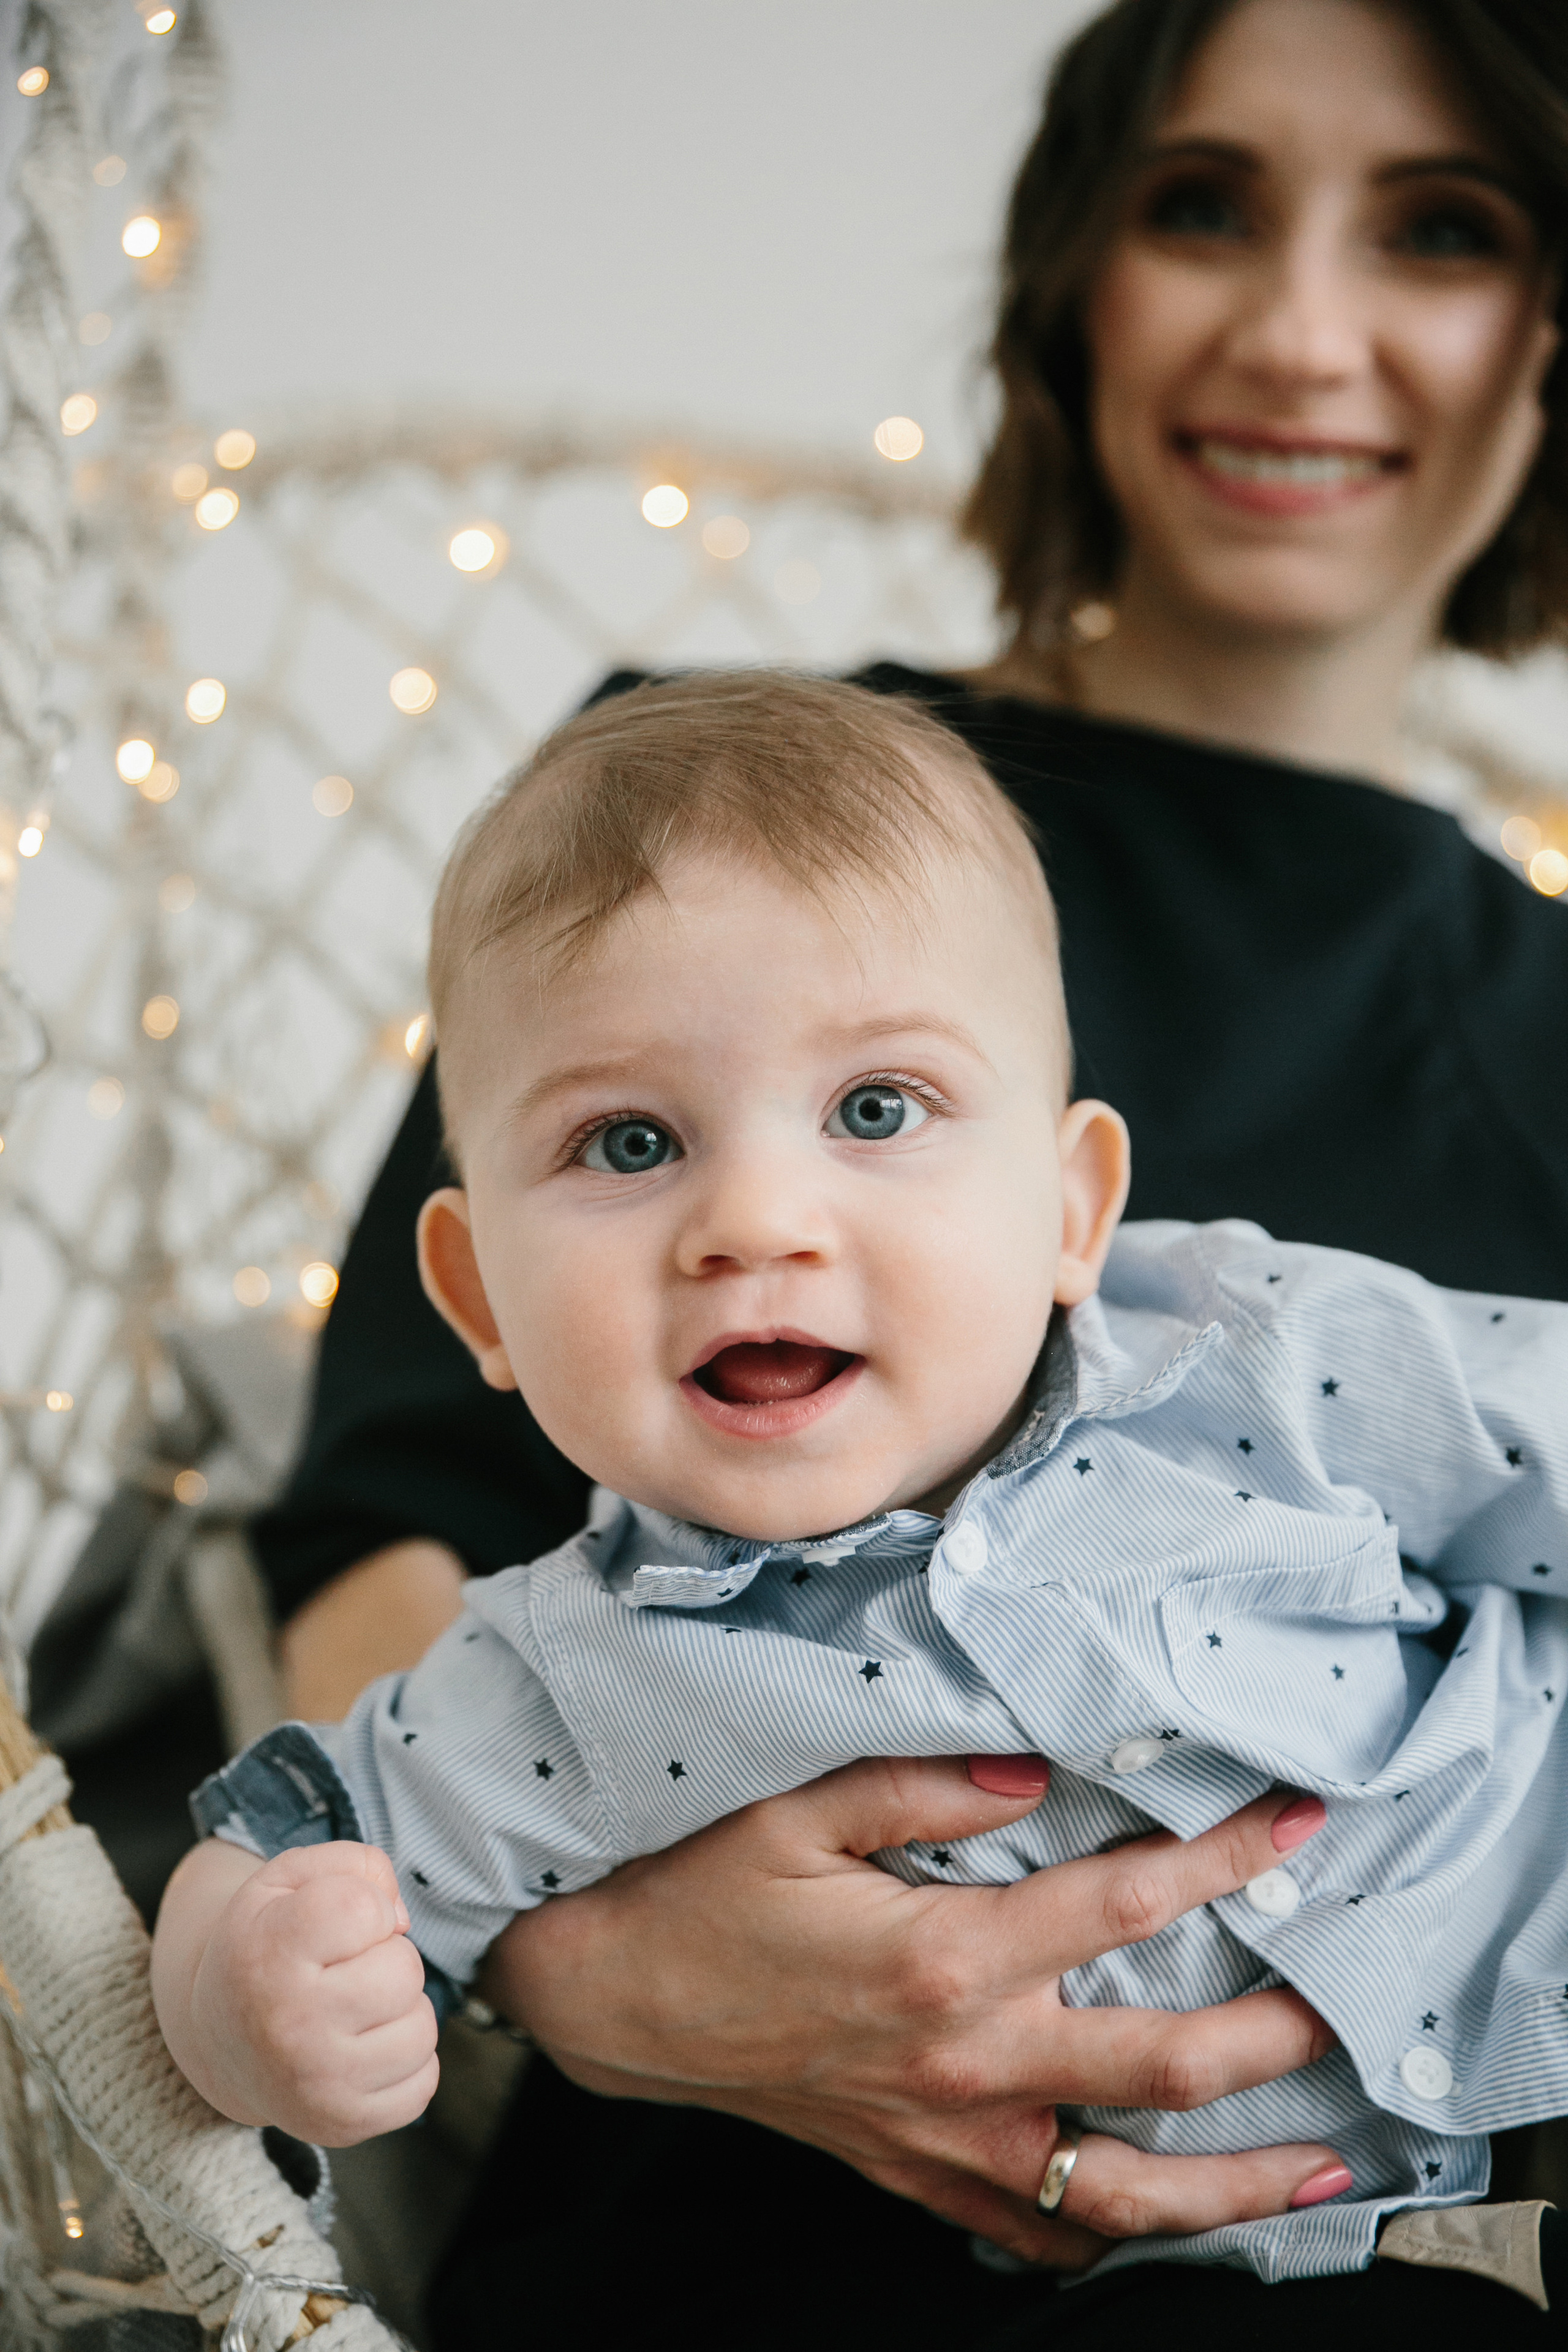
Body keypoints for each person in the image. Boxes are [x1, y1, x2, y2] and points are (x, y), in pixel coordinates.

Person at [246, 0, 1568, 2342]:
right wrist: (599, 1967)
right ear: (1073, 288)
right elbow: (382, 1533)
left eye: (1440, 231)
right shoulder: (697, 827)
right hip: (710, 2221)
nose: (1301, 332)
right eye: (1202, 208)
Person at [156, 671, 1568, 2309]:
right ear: (479, 1299)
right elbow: (285, 1844)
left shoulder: (1249, 1355)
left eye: (876, 1111)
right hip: (1211, 2262)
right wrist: (244, 1996)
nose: (756, 1221)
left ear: (1071, 1210)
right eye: (629, 1144)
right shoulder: (570, 1677)